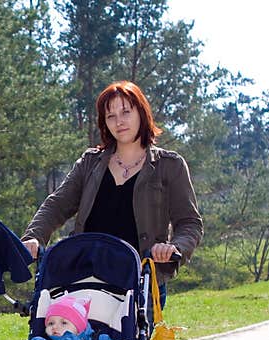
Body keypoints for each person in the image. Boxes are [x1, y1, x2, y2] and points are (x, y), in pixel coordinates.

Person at [20, 80, 203, 309]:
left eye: (126, 111)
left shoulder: (170, 165)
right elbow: (56, 205)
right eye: (110, 116)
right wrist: (33, 237)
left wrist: (173, 248)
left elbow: (189, 223)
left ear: (141, 113)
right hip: (84, 279)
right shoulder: (90, 163)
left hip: (140, 284)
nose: (119, 121)